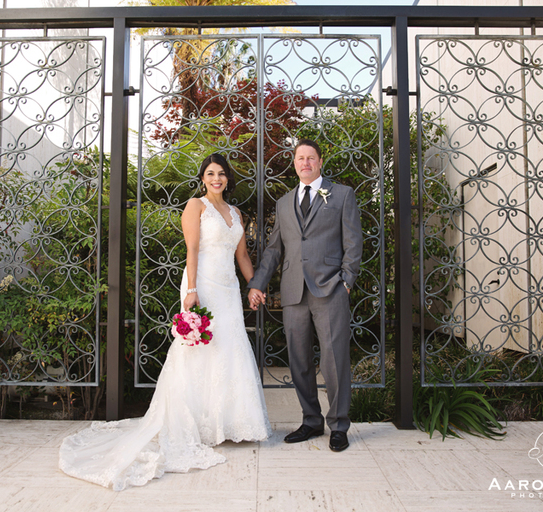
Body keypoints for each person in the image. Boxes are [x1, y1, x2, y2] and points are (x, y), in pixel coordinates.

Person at [59, 153, 271, 490]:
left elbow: (242, 255)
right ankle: (198, 426)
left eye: (222, 174)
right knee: (199, 353)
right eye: (210, 173)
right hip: (202, 285)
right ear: (203, 178)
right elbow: (192, 249)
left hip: (229, 288)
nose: (216, 179)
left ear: (229, 179)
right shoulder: (195, 205)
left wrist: (253, 286)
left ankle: (228, 424)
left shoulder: (236, 213)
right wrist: (190, 290)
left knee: (229, 349)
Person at [247, 139, 362, 452]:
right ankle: (311, 421)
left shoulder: (342, 195)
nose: (306, 163)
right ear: (294, 163)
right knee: (298, 359)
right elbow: (272, 250)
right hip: (293, 291)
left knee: (334, 360)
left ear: (320, 161)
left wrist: (346, 281)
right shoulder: (284, 203)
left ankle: (338, 425)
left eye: (311, 158)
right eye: (300, 158)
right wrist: (257, 283)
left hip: (331, 289)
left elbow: (353, 242)